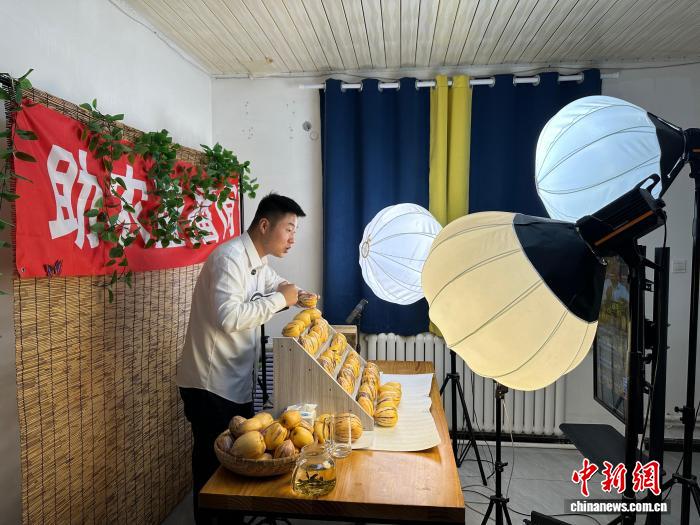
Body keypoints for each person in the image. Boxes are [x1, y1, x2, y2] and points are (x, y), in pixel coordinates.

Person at [176, 193, 306, 524]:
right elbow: (229, 317)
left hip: (235, 382)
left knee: (237, 466)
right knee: (213, 475)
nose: (292, 238)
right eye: (289, 229)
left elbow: (276, 283)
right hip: (209, 385)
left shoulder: (259, 261)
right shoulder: (229, 258)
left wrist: (295, 293)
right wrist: (281, 300)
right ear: (264, 225)